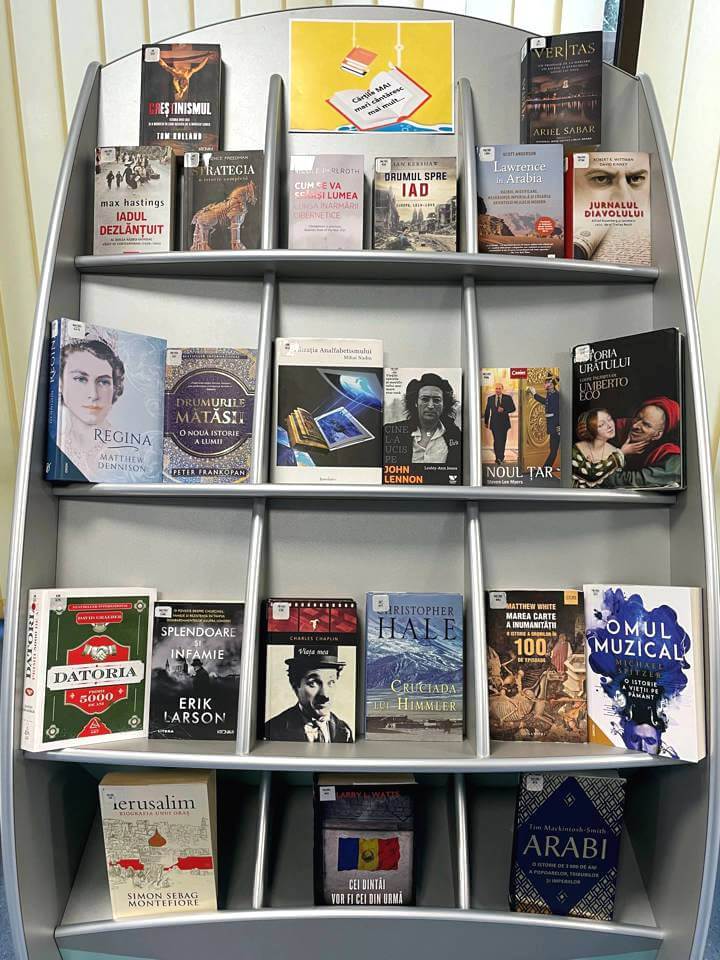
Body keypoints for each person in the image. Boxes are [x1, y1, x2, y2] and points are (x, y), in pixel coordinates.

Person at [57, 337, 125, 477]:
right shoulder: (56, 447)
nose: (93, 394)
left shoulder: (127, 449)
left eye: (103, 382)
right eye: (81, 379)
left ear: (115, 387)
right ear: (61, 384)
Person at [264, 649, 353, 743]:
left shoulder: (344, 730)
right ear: (295, 686)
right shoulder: (272, 731)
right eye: (313, 683)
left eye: (331, 682)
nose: (325, 695)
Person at [601, 396, 682, 488]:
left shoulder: (672, 458)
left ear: (657, 435)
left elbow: (629, 481)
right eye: (637, 418)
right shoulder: (621, 428)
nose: (635, 425)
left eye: (646, 425)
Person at [386, 372, 461, 467]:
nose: (430, 405)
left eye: (437, 400)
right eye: (425, 399)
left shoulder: (456, 436)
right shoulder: (391, 432)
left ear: (444, 405)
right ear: (415, 402)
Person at [526, 373, 560, 470]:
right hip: (552, 425)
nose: (545, 385)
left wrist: (559, 426)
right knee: (553, 449)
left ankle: (545, 469)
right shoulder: (550, 393)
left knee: (554, 450)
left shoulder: (557, 395)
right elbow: (546, 402)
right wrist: (534, 394)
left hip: (557, 426)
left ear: (552, 385)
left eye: (547, 383)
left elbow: (560, 412)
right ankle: (546, 469)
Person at [483, 382, 515, 463]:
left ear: (502, 389)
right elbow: (487, 411)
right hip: (494, 423)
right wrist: (486, 422)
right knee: (496, 440)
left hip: (504, 423)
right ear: (495, 389)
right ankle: (498, 458)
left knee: (502, 440)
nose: (498, 390)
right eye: (496, 389)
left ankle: (501, 457)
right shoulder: (490, 398)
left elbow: (513, 408)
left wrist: (504, 410)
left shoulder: (507, 398)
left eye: (499, 388)